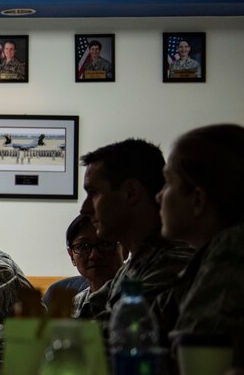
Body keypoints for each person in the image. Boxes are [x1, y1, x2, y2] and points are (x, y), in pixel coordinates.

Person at [77, 138, 194, 335]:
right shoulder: (135, 264)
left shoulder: (173, 264)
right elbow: (87, 316)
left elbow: (115, 334)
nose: (85, 208)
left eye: (94, 193)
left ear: (130, 192)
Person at [156, 123, 244, 348]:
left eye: (168, 183)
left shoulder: (231, 250)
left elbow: (194, 354)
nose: (159, 196)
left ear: (197, 200)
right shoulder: (204, 259)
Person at [54, 214, 124, 316]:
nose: (94, 255)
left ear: (125, 250)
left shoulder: (141, 296)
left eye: (106, 244)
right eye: (83, 246)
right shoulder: (74, 305)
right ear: (72, 257)